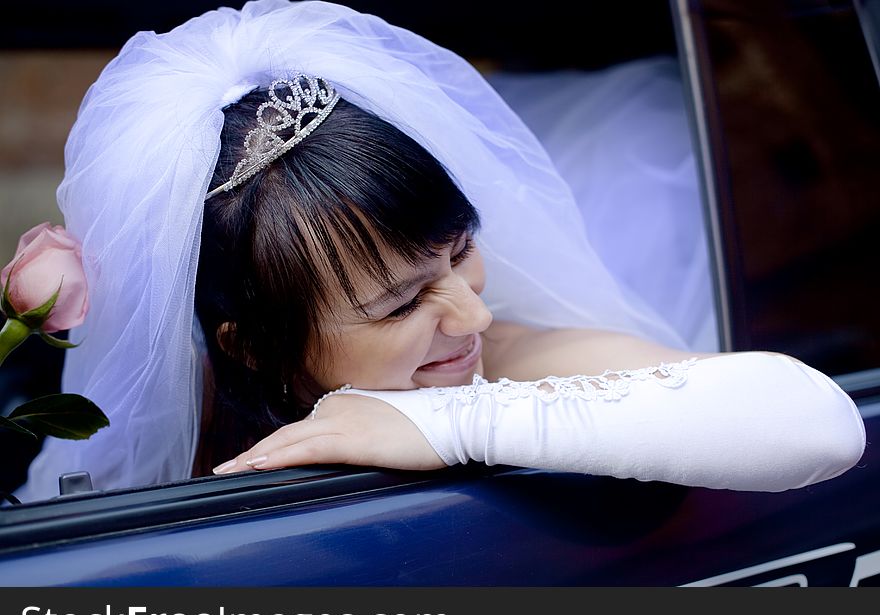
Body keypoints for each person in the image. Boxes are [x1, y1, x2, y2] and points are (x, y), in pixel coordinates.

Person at [14, 0, 864, 502]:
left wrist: (449, 422)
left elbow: (815, 422)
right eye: (399, 302)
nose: (473, 311)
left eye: (461, 252)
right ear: (250, 343)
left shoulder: (510, 360)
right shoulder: (174, 412)